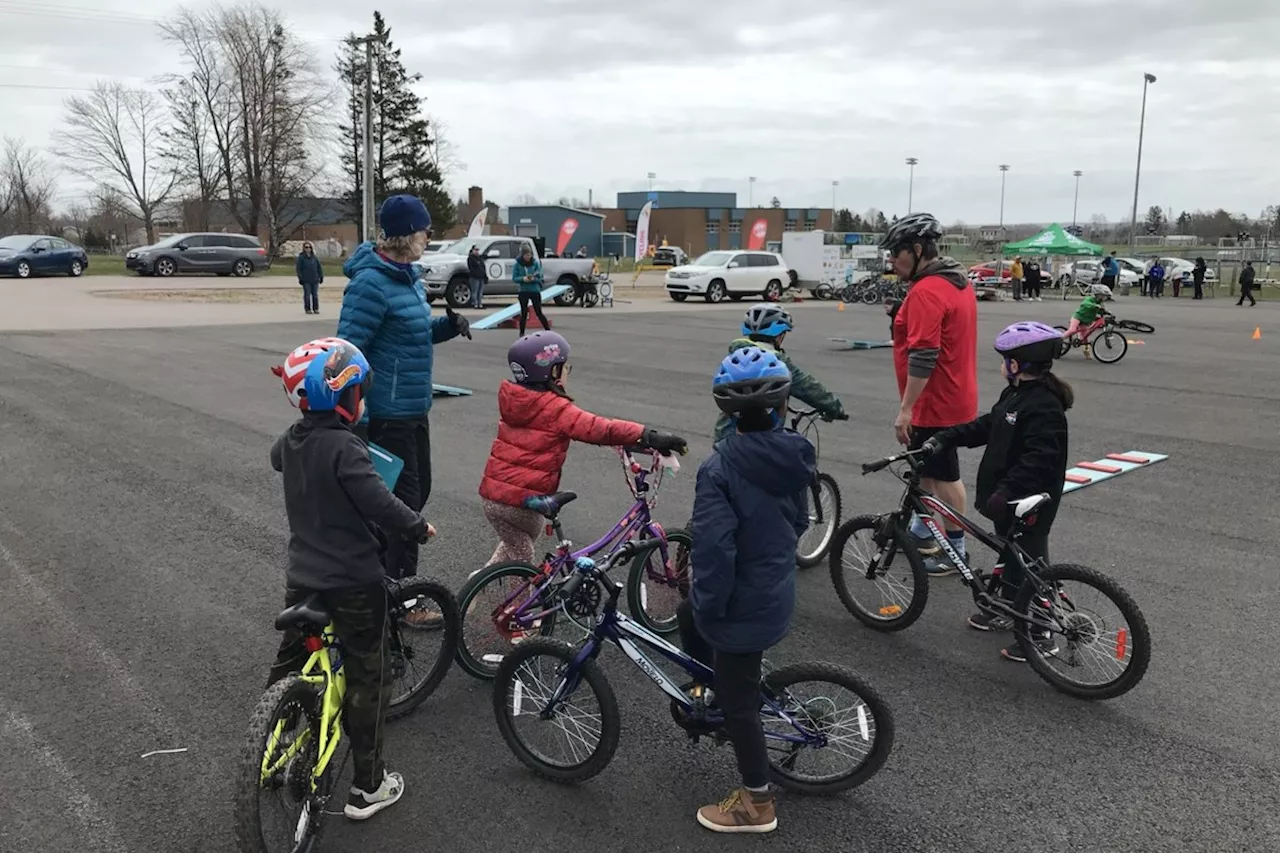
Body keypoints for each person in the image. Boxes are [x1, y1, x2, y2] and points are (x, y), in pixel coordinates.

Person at [267, 337, 433, 820]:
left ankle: (270, 743)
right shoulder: (347, 448)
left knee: (290, 660)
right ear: (342, 396)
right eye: (357, 389)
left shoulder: (293, 440)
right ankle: (368, 786)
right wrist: (417, 527)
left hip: (304, 577)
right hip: (355, 582)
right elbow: (379, 502)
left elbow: (278, 458)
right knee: (368, 676)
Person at [679, 346, 815, 834]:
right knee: (685, 614)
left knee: (739, 705)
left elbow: (714, 551)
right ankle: (708, 685)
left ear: (729, 415)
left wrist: (711, 606)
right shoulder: (795, 456)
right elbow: (800, 520)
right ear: (782, 407)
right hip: (773, 590)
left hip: (740, 605)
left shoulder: (720, 469)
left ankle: (757, 804)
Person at [337, 194, 471, 595]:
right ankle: (401, 594)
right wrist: (356, 415)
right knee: (404, 502)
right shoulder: (371, 285)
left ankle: (377, 580)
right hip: (386, 413)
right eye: (424, 229)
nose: (428, 236)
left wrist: (447, 326)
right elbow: (348, 350)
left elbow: (414, 331)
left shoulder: (408, 278)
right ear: (405, 234)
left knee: (418, 490)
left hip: (414, 408)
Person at [919, 321, 1072, 662]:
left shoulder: (1044, 405)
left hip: (1031, 500)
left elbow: (1040, 459)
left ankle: (1042, 631)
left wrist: (1006, 490)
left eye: (1005, 359)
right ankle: (1006, 608)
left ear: (1017, 364)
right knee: (1012, 553)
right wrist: (948, 436)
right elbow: (990, 425)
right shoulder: (1016, 395)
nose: (1001, 365)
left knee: (1030, 561)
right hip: (1007, 498)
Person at [478, 331, 687, 565]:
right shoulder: (554, 408)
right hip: (520, 502)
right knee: (523, 558)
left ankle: (479, 583)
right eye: (565, 368)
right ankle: (519, 602)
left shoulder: (515, 399)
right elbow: (600, 429)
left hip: (492, 497)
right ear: (552, 371)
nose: (567, 373)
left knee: (516, 542)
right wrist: (646, 434)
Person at [882, 212, 979, 573]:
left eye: (896, 253)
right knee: (924, 465)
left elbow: (924, 354)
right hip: (953, 393)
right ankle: (924, 529)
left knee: (945, 475)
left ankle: (956, 551)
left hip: (936, 402)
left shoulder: (927, 291)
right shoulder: (955, 282)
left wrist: (905, 409)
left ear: (918, 249)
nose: (892, 261)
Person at [712, 303, 847, 442]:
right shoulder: (774, 362)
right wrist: (834, 408)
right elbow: (808, 387)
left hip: (725, 437)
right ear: (779, 336)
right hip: (761, 440)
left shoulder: (737, 357)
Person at [1063, 283, 1112, 359]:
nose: (1106, 298)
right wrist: (1094, 305)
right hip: (1078, 317)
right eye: (1104, 296)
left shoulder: (1100, 303)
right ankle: (1058, 340)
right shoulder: (1089, 299)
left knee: (1085, 337)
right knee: (1072, 330)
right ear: (1098, 295)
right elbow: (1085, 304)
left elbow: (1100, 311)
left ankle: (1086, 352)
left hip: (1086, 320)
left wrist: (1106, 312)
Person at [513, 244, 551, 335]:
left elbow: (540, 277)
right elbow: (514, 278)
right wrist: (523, 279)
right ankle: (522, 333)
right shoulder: (517, 264)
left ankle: (548, 331)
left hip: (534, 290)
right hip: (523, 291)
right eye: (526, 255)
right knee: (524, 312)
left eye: (529, 255)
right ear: (522, 255)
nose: (528, 257)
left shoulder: (535, 263)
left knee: (538, 312)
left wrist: (534, 279)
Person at [296, 242, 324, 314]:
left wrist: (321, 277)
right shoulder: (301, 258)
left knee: (315, 295)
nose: (308, 249)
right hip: (306, 280)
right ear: (304, 248)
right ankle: (307, 309)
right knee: (307, 295)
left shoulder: (314, 258)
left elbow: (319, 268)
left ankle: (316, 308)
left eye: (309, 247)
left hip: (315, 279)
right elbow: (298, 269)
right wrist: (300, 278)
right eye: (306, 247)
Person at [466, 244, 487, 309]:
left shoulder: (480, 258)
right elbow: (471, 268)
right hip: (474, 277)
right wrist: (476, 274)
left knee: (480, 292)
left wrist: (485, 276)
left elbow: (483, 267)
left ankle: (480, 304)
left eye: (478, 250)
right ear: (472, 250)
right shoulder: (470, 258)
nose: (477, 251)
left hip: (481, 277)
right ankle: (475, 303)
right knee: (475, 291)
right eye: (475, 250)